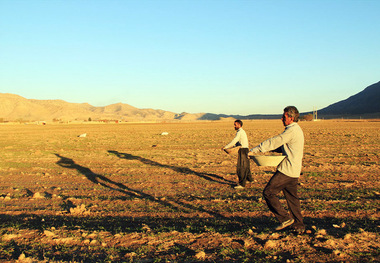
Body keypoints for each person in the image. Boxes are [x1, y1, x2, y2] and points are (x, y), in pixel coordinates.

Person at [249, 106, 305, 233]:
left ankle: (285, 219)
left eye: (284, 117)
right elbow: (282, 146)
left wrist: (256, 150)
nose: (281, 119)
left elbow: (275, 141)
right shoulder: (296, 130)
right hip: (294, 170)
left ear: (291, 118)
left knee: (268, 192)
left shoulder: (291, 131)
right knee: (292, 199)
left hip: (287, 170)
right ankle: (299, 226)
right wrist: (269, 149)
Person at [222, 119, 252, 189]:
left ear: (239, 125)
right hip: (245, 149)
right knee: (246, 165)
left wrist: (226, 147)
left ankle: (242, 184)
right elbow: (237, 142)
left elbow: (234, 140)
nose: (234, 126)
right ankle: (249, 179)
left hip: (243, 150)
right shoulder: (241, 132)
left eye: (235, 125)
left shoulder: (240, 132)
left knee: (241, 167)